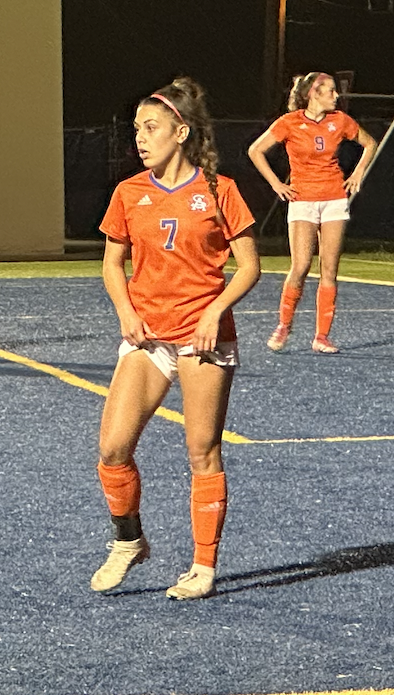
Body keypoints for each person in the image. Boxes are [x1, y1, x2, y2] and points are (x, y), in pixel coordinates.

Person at [91, 77, 260, 601]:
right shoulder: (129, 193)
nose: (139, 138)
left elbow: (250, 266)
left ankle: (203, 568)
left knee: (201, 452)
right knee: (112, 448)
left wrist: (215, 313)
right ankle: (129, 541)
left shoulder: (219, 190)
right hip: (148, 338)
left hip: (200, 338)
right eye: (137, 128)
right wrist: (125, 311)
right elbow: (112, 263)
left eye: (151, 127)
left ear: (181, 132)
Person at [247, 71, 376, 354]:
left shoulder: (340, 121)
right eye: (330, 90)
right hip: (303, 199)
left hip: (334, 199)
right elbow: (255, 151)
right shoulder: (290, 122)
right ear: (313, 94)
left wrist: (357, 174)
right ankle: (284, 324)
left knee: (329, 270)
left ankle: (322, 336)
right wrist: (276, 183)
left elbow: (370, 144)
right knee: (301, 265)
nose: (336, 95)